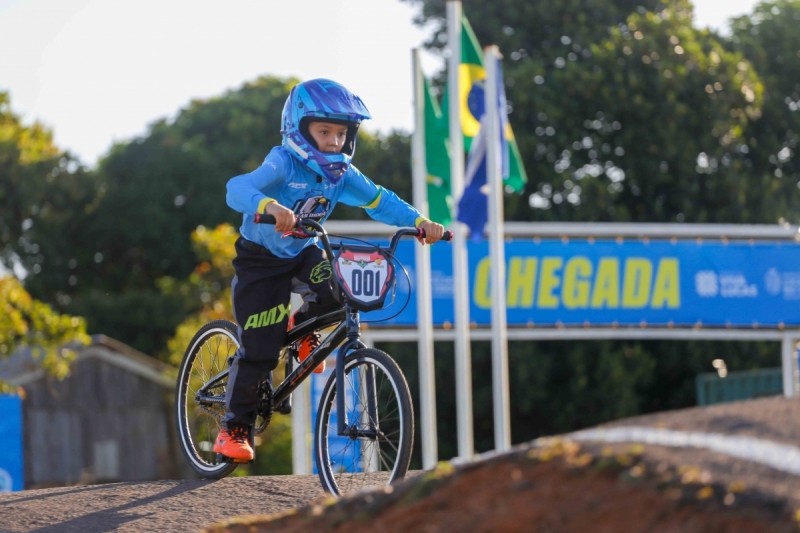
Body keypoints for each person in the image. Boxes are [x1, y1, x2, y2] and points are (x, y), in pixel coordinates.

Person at [215, 78, 445, 462]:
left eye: (342, 134)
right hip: (260, 261)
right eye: (324, 132)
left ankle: (305, 334)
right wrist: (270, 206)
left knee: (339, 293)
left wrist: (420, 220)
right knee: (260, 349)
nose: (335, 142)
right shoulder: (282, 161)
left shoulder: (342, 176)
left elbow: (379, 201)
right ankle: (234, 428)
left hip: (303, 252)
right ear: (299, 129)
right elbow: (236, 188)